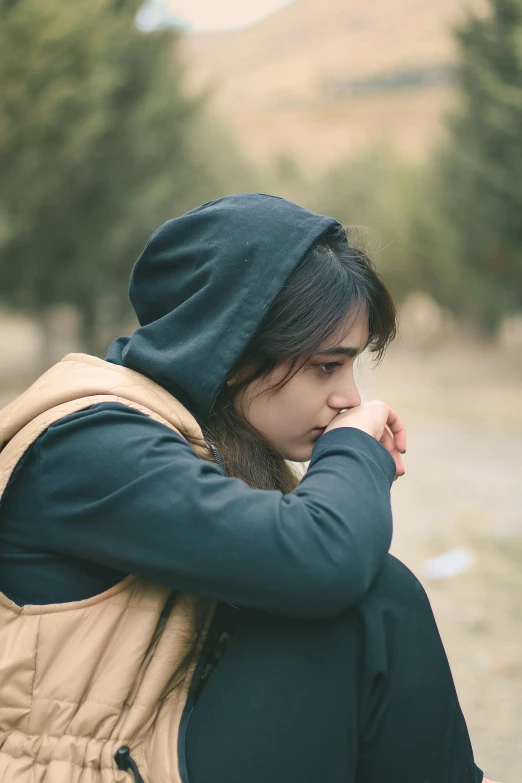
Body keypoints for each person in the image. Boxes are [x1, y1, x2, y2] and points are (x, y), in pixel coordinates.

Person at [0, 193, 493, 783]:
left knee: (373, 602)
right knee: (374, 599)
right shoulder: (90, 444)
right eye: (325, 366)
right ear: (231, 351)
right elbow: (321, 556)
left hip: (142, 748)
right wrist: (355, 448)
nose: (350, 399)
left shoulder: (189, 435)